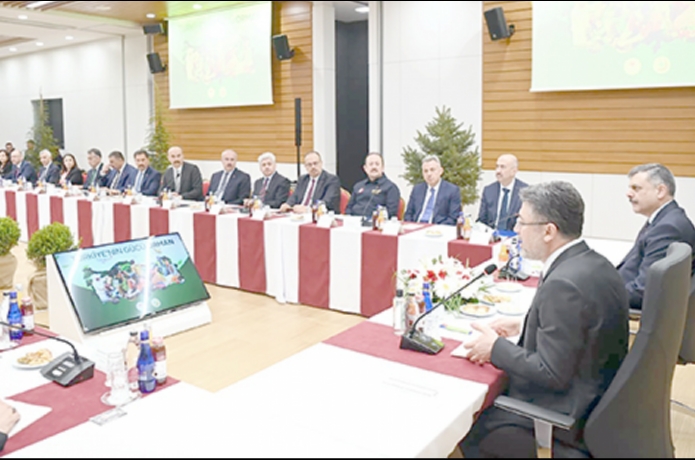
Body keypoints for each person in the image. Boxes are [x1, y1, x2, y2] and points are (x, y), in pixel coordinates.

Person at [460, 181, 629, 458]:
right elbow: (580, 328)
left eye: (522, 223)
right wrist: (526, 324)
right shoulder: (593, 263)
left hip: (566, 418)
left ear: (549, 231)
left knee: (468, 425)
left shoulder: (564, 284)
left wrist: (495, 348)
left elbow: (551, 373)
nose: (516, 231)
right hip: (599, 405)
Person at [617, 163, 695, 310]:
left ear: (660, 191)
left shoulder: (668, 229)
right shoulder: (663, 220)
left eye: (636, 188)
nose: (628, 194)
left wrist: (602, 296)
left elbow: (643, 292)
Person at [403, 155, 461, 225]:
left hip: (438, 228)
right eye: (425, 171)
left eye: (432, 170)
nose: (429, 174)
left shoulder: (452, 190)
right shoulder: (417, 189)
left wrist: (433, 228)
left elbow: (453, 218)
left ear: (441, 171)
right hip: (416, 226)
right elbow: (408, 214)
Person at [477, 154, 528, 231]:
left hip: (515, 235)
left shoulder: (525, 192)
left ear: (514, 171)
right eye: (497, 166)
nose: (498, 171)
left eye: (502, 167)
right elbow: (482, 220)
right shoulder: (489, 190)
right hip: (492, 234)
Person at [344, 152, 400, 220]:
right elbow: (349, 208)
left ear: (382, 168)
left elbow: (391, 213)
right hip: (354, 221)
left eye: (377, 164)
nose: (374, 167)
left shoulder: (391, 188)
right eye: (371, 164)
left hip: (376, 223)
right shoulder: (358, 186)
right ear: (365, 168)